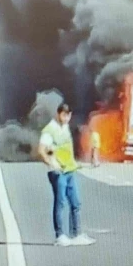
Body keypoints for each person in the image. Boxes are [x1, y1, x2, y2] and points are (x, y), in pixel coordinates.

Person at [38, 102, 96, 247]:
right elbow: (42, 150)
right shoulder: (50, 130)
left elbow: (63, 149)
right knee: (60, 203)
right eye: (64, 115)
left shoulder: (65, 127)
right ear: (58, 114)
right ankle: (60, 236)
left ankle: (76, 234)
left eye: (68, 115)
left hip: (70, 170)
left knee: (75, 203)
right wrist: (52, 164)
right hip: (58, 173)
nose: (66, 118)